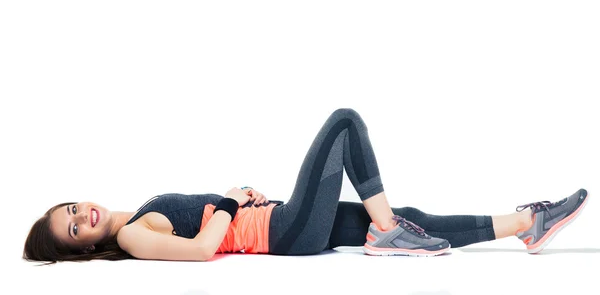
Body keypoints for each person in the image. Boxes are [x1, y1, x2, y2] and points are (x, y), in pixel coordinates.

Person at [23, 108, 590, 263]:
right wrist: (227, 199)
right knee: (344, 122)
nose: (82, 216)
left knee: (405, 212)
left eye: (71, 208)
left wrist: (242, 202)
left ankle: (527, 227)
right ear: (83, 247)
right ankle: (389, 234)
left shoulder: (141, 210)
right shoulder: (130, 238)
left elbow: (215, 227)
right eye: (71, 230)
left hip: (282, 218)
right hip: (287, 233)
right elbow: (200, 250)